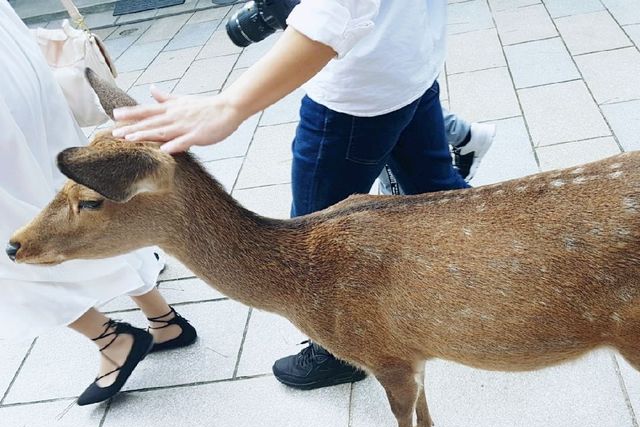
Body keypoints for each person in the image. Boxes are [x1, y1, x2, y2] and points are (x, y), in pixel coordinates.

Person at [112, 0, 474, 390]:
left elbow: (331, 13)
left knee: (310, 244)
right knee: (437, 192)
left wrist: (229, 106)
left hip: (355, 93)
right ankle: (483, 279)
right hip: (410, 58)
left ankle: (336, 352)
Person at [0, 0, 197, 406]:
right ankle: (163, 320)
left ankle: (112, 340)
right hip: (13, 60)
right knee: (72, 193)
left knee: (14, 241)